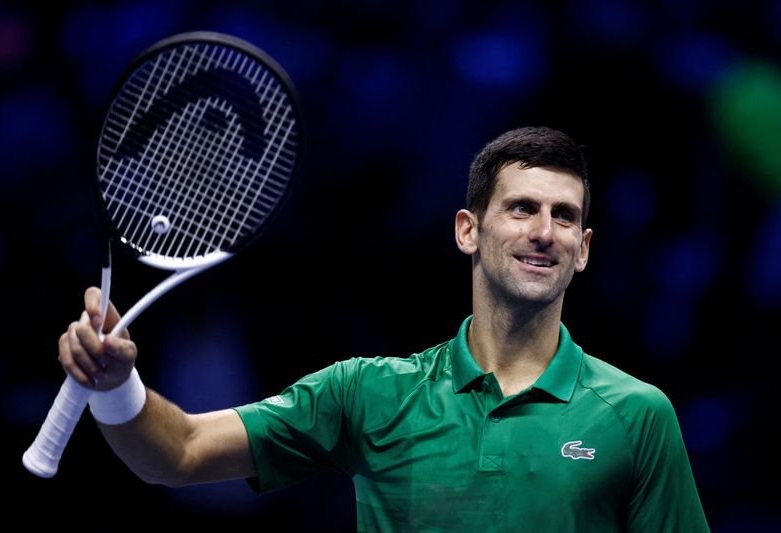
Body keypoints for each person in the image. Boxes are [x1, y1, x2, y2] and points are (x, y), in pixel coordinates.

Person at [59, 126, 710, 532]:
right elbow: (180, 452)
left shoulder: (636, 415)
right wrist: (116, 384)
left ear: (585, 247)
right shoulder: (371, 394)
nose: (544, 231)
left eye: (564, 217)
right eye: (520, 208)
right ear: (468, 230)